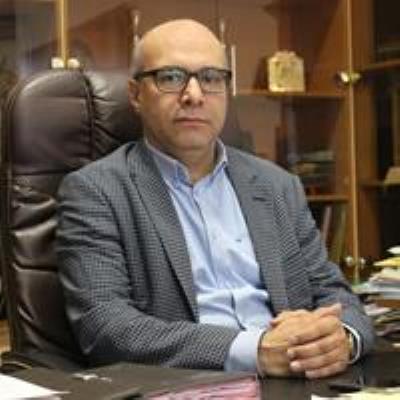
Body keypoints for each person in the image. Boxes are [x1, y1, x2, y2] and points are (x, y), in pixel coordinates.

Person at [56, 19, 374, 379]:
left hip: (300, 379)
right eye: (171, 77)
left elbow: (335, 294)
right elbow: (105, 326)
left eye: (210, 77)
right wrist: (255, 351)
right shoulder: (96, 191)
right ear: (135, 95)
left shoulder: (277, 186)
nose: (194, 95)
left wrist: (341, 339)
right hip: (194, 386)